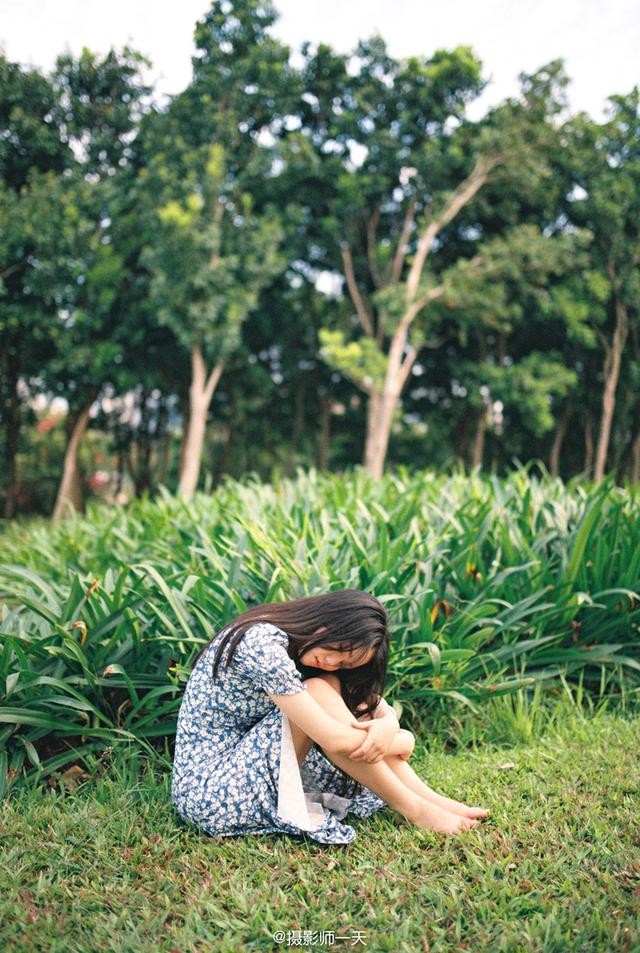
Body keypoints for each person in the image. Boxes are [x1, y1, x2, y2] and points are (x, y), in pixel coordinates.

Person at [171, 589, 489, 845]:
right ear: (330, 622)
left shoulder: (301, 648)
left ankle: (431, 799)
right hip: (210, 792)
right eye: (339, 648)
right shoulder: (263, 646)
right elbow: (334, 739)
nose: (331, 661)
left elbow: (371, 705)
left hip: (242, 769)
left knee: (326, 686)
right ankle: (414, 808)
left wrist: (389, 723)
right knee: (318, 689)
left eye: (344, 663)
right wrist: (402, 739)